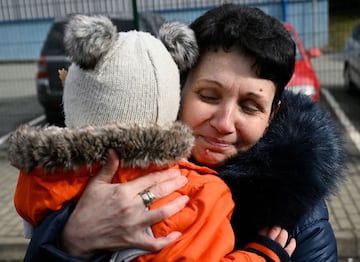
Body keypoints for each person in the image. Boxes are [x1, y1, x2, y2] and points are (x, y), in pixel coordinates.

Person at [15, 4, 344, 261]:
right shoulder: (103, 173)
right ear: (179, 88)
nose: (224, 122)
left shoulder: (299, 218)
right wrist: (71, 241)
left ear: (272, 115)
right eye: (209, 96)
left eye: (250, 106)